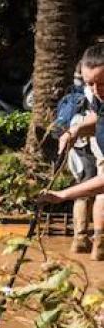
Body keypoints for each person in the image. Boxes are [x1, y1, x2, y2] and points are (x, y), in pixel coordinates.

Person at [54, 66, 100, 254]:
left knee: (85, 189)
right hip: (90, 145)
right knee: (96, 191)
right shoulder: (94, 94)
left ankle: (80, 239)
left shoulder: (77, 95)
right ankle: (96, 242)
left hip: (78, 147)